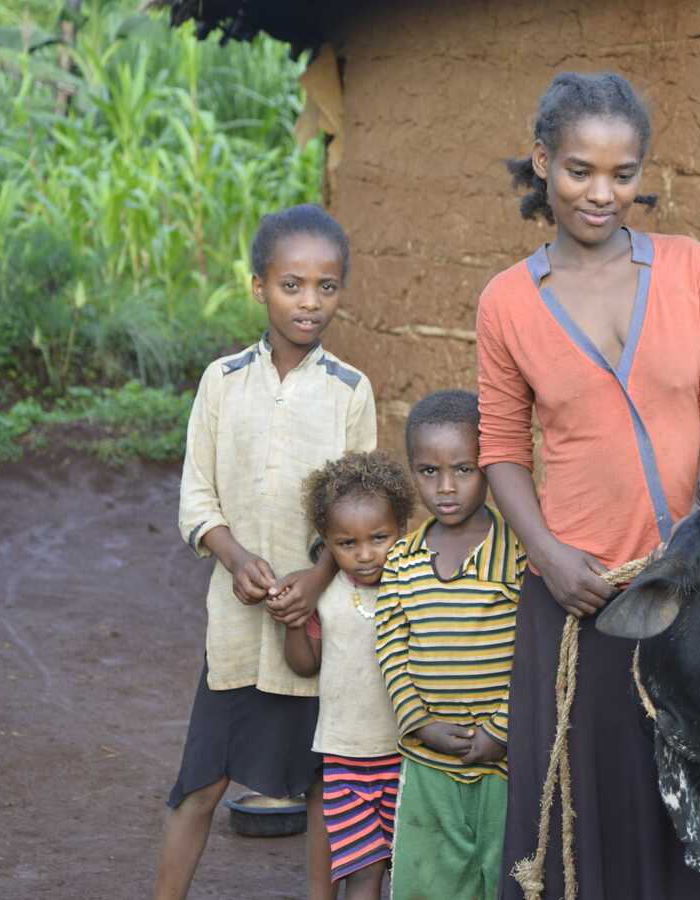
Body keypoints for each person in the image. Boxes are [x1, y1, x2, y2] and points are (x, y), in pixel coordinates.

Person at [477, 73, 700, 899]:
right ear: (542, 162)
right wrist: (551, 558)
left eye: (623, 174)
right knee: (595, 796)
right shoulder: (508, 302)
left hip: (691, 585)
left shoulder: (688, 267)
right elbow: (501, 450)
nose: (602, 194)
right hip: (584, 598)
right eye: (579, 171)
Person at [155, 204, 375, 900]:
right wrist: (232, 554)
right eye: (292, 285)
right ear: (259, 287)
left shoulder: (349, 392)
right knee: (202, 783)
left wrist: (316, 581)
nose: (310, 302)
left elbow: (362, 512)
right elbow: (197, 498)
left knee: (322, 787)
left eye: (327, 287)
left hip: (318, 631)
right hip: (236, 628)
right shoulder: (221, 382)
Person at [375, 389, 525, 899]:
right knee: (430, 881)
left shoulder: (519, 556)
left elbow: (536, 656)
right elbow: (391, 646)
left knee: (507, 879)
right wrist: (420, 722)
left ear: (489, 469)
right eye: (428, 471)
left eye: (464, 469)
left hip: (505, 764)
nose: (446, 488)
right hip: (428, 767)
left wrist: (501, 730)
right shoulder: (402, 561)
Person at [283, 450, 413, 900]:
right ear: (326, 541)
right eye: (347, 543)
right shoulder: (327, 596)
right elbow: (304, 665)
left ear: (403, 529)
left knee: (411, 868)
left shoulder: (415, 587)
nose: (365, 555)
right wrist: (294, 620)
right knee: (363, 871)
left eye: (380, 538)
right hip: (346, 760)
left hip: (410, 756)